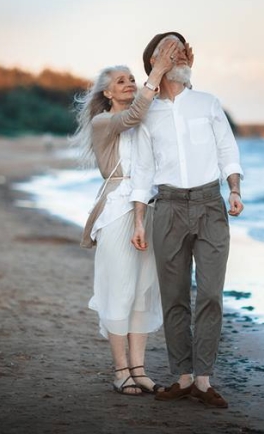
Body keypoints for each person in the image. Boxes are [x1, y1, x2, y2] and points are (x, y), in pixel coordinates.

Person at [131, 32, 244, 409]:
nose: (180, 53)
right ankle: (182, 377)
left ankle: (203, 380)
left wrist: (235, 189)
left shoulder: (208, 103)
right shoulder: (146, 112)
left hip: (211, 204)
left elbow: (228, 149)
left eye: (182, 49)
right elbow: (143, 169)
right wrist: (139, 220)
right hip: (168, 208)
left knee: (211, 294)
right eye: (170, 50)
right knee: (174, 296)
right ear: (155, 61)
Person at [72, 39, 187, 396]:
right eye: (121, 81)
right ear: (107, 93)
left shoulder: (143, 114)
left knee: (143, 292)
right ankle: (120, 370)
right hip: (119, 210)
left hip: (151, 207)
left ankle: (139, 369)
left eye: (132, 78)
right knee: (119, 290)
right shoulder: (105, 122)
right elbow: (134, 115)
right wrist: (156, 70)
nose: (130, 83)